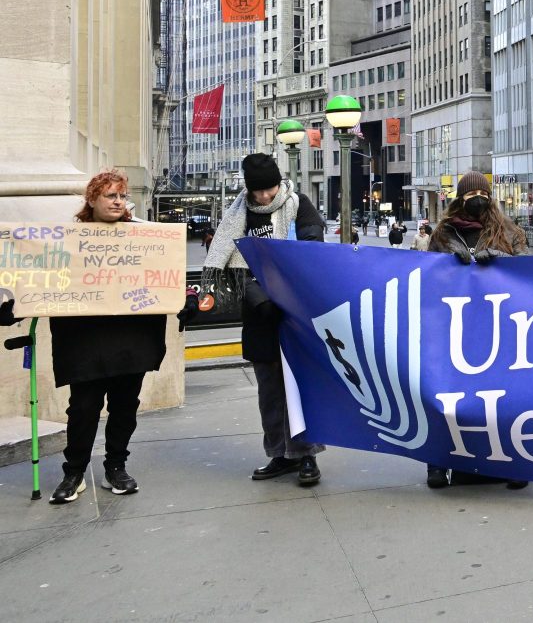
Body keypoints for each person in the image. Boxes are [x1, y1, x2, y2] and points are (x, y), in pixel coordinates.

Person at [0, 170, 196, 503]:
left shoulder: (145, 236)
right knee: (83, 408)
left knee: (124, 406)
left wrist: (188, 298)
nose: (118, 202)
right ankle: (74, 472)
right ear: (92, 199)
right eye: (110, 195)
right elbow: (42, 280)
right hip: (84, 341)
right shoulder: (65, 239)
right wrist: (15, 306)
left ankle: (116, 467)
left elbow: (171, 273)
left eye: (122, 196)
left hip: (131, 338)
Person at [204, 153, 327, 487]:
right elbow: (233, 265)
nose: (263, 196)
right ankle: (279, 453)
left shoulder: (299, 205)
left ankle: (306, 455)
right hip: (259, 312)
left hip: (295, 311)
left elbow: (312, 250)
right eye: (257, 191)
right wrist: (260, 298)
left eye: (269, 189)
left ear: (278, 182)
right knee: (269, 390)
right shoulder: (238, 213)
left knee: (298, 387)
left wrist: (283, 287)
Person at [424, 171, 528, 489]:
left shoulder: (509, 232)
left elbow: (529, 275)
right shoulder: (443, 234)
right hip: (455, 328)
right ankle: (438, 463)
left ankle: (517, 463)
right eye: (471, 196)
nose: (478, 200)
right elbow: (427, 279)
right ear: (460, 199)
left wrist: (499, 259)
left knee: (505, 397)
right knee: (448, 397)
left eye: (483, 194)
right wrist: (447, 266)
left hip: (500, 327)